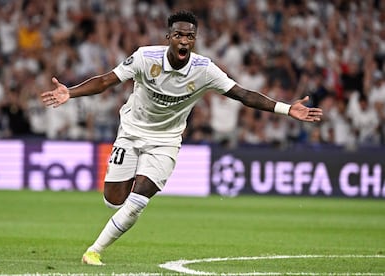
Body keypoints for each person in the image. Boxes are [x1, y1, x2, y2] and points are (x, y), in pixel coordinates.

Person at [41, 11, 323, 266]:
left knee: (139, 199)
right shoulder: (144, 58)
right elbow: (105, 81)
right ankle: (113, 218)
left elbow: (242, 94)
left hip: (166, 142)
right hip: (130, 132)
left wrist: (287, 109)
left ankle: (94, 250)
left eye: (189, 36)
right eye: (178, 34)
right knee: (113, 201)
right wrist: (71, 92)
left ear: (195, 39)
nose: (184, 40)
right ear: (169, 38)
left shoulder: (204, 69)